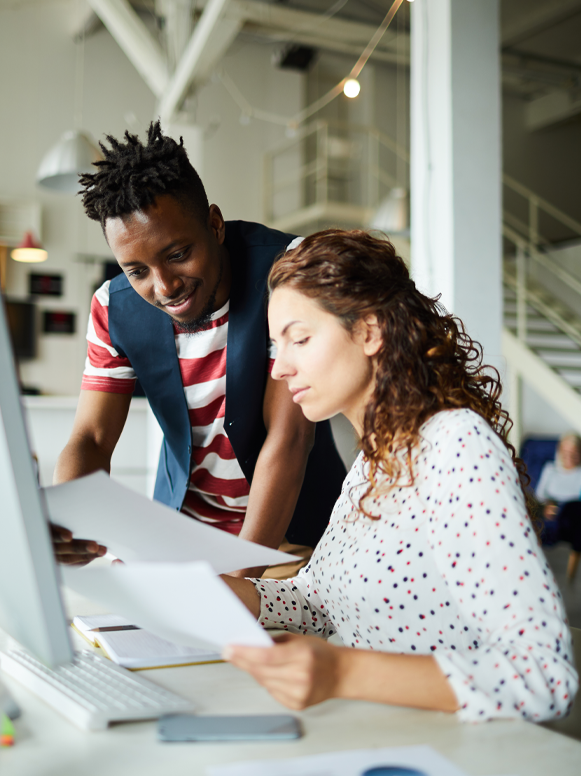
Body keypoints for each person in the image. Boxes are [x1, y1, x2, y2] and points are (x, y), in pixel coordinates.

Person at [221, 229, 578, 723]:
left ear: (369, 331)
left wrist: (343, 672)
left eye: (299, 339)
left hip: (445, 756)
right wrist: (220, 592)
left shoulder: (454, 446)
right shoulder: (371, 464)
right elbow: (318, 601)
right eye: (275, 346)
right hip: (369, 734)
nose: (279, 368)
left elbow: (544, 677)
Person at [51, 122, 346, 575]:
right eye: (137, 271)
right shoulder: (113, 308)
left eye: (177, 254)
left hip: (294, 540)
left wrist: (237, 580)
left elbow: (287, 439)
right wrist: (71, 519)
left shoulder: (288, 272)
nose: (164, 286)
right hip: (181, 534)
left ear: (214, 223)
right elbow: (90, 438)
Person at [535, 432, 581, 582]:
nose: (569, 456)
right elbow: (539, 496)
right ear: (559, 451)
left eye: (574, 452)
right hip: (552, 508)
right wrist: (545, 507)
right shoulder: (550, 469)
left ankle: (570, 579)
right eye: (566, 451)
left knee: (575, 510)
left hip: (574, 511)